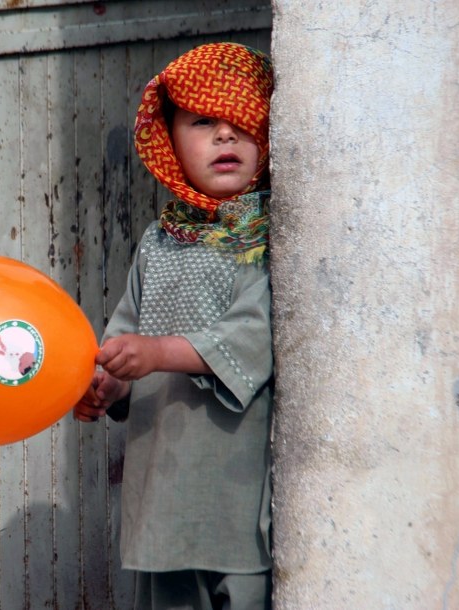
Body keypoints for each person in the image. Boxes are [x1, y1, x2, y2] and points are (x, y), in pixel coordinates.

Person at [74, 42, 274, 610]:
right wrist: (105, 385)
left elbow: (251, 336)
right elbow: (122, 340)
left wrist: (158, 352)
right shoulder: (157, 242)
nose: (225, 136)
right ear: (169, 140)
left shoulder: (265, 240)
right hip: (160, 489)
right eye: (203, 121)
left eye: (242, 122)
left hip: (234, 491)